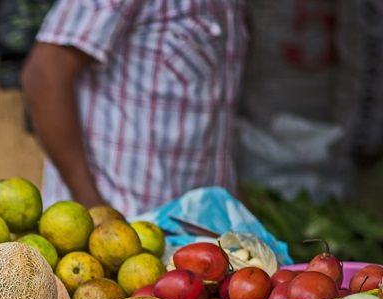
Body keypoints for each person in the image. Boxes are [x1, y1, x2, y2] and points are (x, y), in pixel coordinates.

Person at [21, 0, 248, 216]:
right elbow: (44, 75)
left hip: (197, 224)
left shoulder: (232, 6)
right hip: (121, 217)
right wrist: (93, 206)